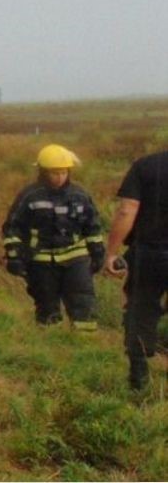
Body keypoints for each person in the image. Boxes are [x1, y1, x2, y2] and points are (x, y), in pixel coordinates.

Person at [1, 144, 105, 330]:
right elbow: (12, 228)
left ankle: (86, 343)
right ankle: (52, 344)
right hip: (41, 261)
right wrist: (14, 256)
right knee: (47, 309)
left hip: (76, 259)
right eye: (54, 173)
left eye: (63, 172)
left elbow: (93, 227)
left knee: (84, 304)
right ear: (43, 172)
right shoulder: (30, 196)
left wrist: (98, 253)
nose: (59, 177)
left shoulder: (80, 195)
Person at [102, 149, 168, 390]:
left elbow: (127, 209)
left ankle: (139, 378)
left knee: (140, 311)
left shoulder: (146, 165)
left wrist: (111, 253)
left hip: (148, 254)